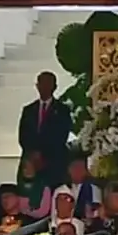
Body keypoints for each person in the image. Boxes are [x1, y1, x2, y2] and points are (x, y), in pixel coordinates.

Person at [18, 74, 76, 206]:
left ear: (54, 87)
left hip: (53, 163)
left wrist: (43, 155)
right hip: (30, 163)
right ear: (37, 86)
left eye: (47, 83)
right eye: (41, 83)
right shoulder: (28, 110)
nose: (43, 87)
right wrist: (33, 154)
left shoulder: (62, 110)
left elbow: (61, 136)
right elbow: (23, 136)